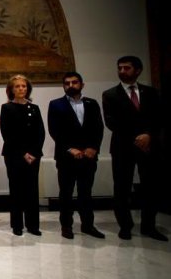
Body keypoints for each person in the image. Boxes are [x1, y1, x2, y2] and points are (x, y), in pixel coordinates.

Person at [102, 55, 167, 241]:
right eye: (120, 68)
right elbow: (112, 122)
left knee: (151, 187)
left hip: (149, 146)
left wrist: (148, 135)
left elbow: (159, 118)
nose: (122, 71)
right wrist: (137, 137)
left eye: (127, 68)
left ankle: (149, 226)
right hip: (123, 147)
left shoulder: (151, 93)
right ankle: (125, 226)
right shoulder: (110, 94)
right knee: (122, 188)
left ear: (138, 70)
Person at [48, 72, 106, 240]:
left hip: (88, 156)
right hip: (66, 157)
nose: (70, 85)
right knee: (65, 193)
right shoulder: (56, 105)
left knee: (85, 193)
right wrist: (69, 148)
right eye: (67, 83)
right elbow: (54, 130)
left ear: (82, 84)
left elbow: (98, 128)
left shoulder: (92, 104)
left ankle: (88, 225)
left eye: (74, 82)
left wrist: (93, 148)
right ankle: (66, 226)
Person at [0, 74, 45, 236]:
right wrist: (23, 153)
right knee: (17, 189)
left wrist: (33, 153)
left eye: (24, 86)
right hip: (14, 155)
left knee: (32, 190)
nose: (21, 89)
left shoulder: (34, 108)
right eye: (17, 86)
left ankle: (33, 225)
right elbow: (8, 134)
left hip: (34, 156)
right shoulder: (7, 108)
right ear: (11, 90)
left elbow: (40, 133)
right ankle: (17, 225)